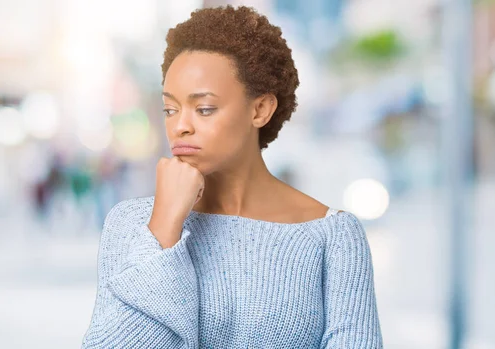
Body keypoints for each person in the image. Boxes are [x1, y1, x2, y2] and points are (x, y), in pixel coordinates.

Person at [81, 5, 383, 348]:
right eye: (170, 109)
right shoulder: (132, 225)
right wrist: (165, 227)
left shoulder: (333, 238)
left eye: (204, 108)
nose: (180, 126)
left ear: (260, 109)